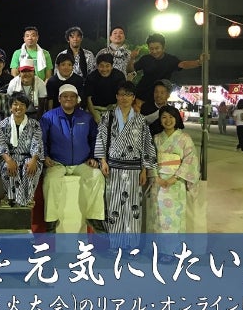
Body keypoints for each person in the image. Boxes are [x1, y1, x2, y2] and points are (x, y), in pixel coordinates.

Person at [95, 81, 157, 250]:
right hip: (113, 167)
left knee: (133, 206)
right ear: (117, 96)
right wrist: (102, 161)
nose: (124, 98)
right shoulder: (108, 117)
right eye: (121, 94)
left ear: (133, 97)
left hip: (134, 169)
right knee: (113, 205)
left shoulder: (140, 120)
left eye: (128, 95)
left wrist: (144, 169)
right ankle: (114, 244)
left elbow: (146, 144)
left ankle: (131, 244)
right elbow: (101, 138)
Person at [40, 84, 106, 233]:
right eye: (65, 96)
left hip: (81, 162)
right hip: (57, 163)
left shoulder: (86, 118)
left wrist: (93, 157)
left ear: (77, 99)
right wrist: (45, 156)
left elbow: (94, 139)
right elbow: (41, 139)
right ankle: (51, 221)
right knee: (51, 180)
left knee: (97, 176)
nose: (68, 99)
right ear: (59, 99)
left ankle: (94, 217)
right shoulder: (48, 117)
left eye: (72, 96)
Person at [145, 105, 200, 263]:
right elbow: (150, 158)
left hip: (176, 183)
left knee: (172, 218)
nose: (168, 120)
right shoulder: (156, 138)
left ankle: (170, 251)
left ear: (177, 118)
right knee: (157, 216)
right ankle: (157, 248)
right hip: (158, 182)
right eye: (164, 117)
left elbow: (190, 160)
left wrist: (174, 178)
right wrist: (155, 176)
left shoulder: (185, 138)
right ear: (160, 120)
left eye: (171, 117)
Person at [0, 93, 44, 207]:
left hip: (29, 156)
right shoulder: (2, 125)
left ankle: (28, 197)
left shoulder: (35, 124)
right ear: (10, 107)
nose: (18, 107)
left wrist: (33, 160)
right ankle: (10, 197)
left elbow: (37, 143)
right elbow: (1, 144)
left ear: (26, 107)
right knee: (8, 167)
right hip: (8, 157)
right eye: (15, 104)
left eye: (22, 104)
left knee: (30, 167)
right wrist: (8, 160)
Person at [127, 33, 204, 103]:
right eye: (151, 49)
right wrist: (131, 59)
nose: (154, 51)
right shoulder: (145, 59)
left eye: (157, 48)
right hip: (141, 95)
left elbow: (183, 64)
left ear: (164, 47)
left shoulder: (170, 60)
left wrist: (198, 62)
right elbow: (130, 70)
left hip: (159, 98)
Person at [85, 53, 127, 124]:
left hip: (114, 106)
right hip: (95, 107)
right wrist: (95, 115)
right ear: (97, 66)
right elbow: (88, 99)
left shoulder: (119, 76)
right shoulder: (91, 77)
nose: (104, 69)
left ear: (112, 66)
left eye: (107, 66)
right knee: (97, 123)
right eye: (101, 66)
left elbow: (122, 95)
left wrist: (116, 113)